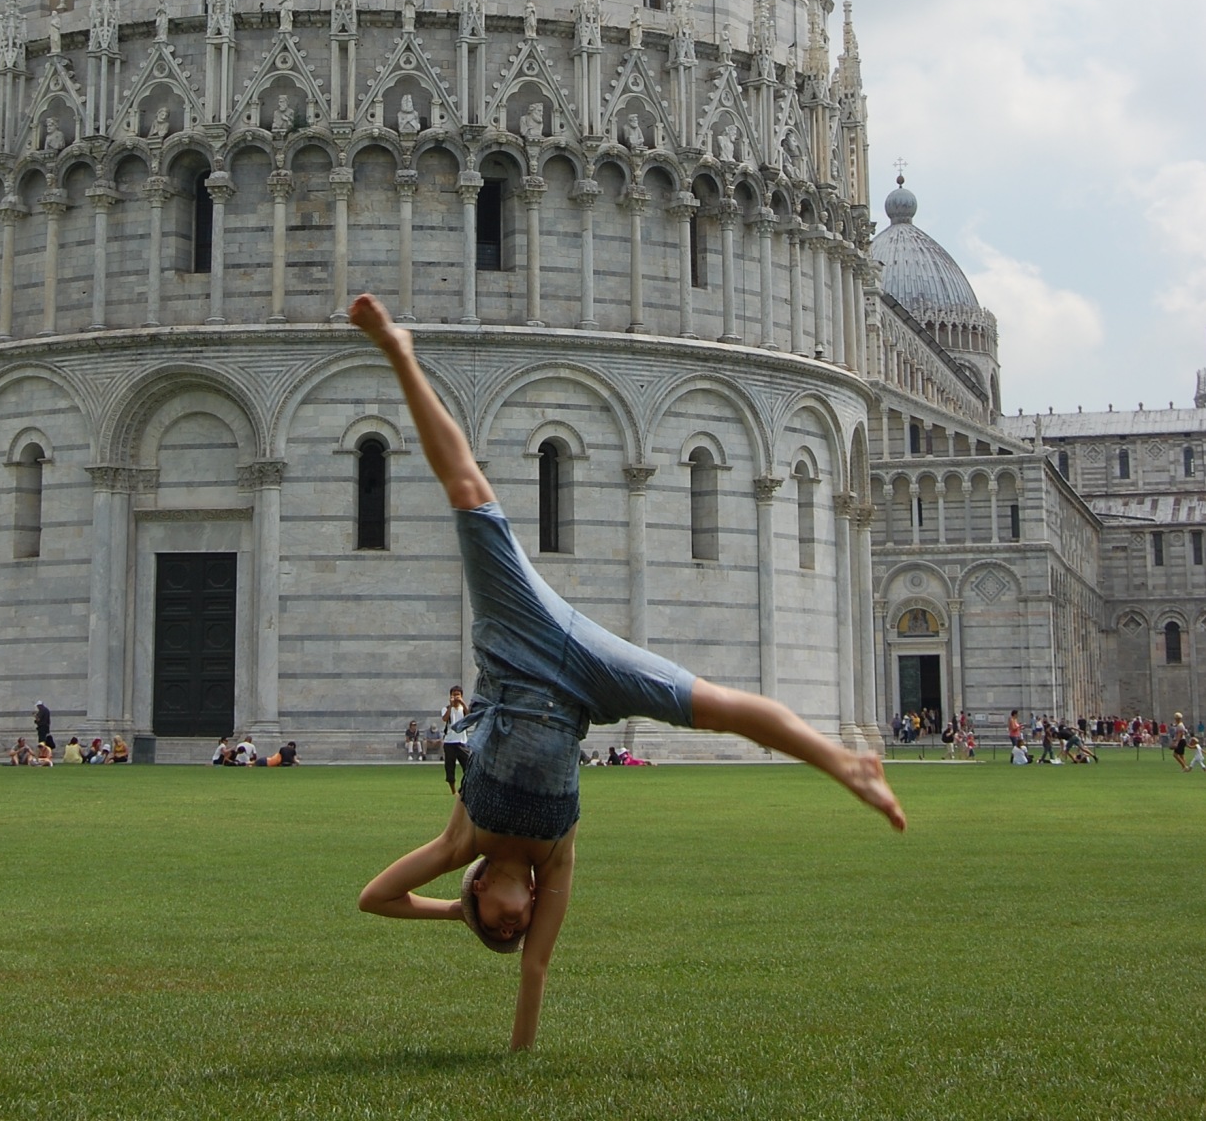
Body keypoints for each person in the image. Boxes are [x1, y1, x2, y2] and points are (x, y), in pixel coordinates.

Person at [348, 293, 905, 1052]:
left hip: (517, 651)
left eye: (496, 928)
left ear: (479, 894)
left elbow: (376, 898)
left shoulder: (460, 841)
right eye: (515, 929)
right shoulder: (554, 857)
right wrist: (519, 1049)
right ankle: (845, 765)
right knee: (715, 705)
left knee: (471, 498)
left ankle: (400, 352)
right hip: (586, 684)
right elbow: (537, 971)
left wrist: (451, 912)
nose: (514, 929)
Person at [442, 686, 471, 795]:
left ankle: (465, 788)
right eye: (454, 695)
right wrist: (451, 705)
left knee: (468, 766)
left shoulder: (463, 709)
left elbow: (470, 717)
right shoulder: (446, 708)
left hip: (462, 742)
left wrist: (462, 703)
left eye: (458, 694)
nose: (456, 697)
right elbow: (445, 718)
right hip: (449, 742)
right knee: (450, 767)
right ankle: (453, 791)